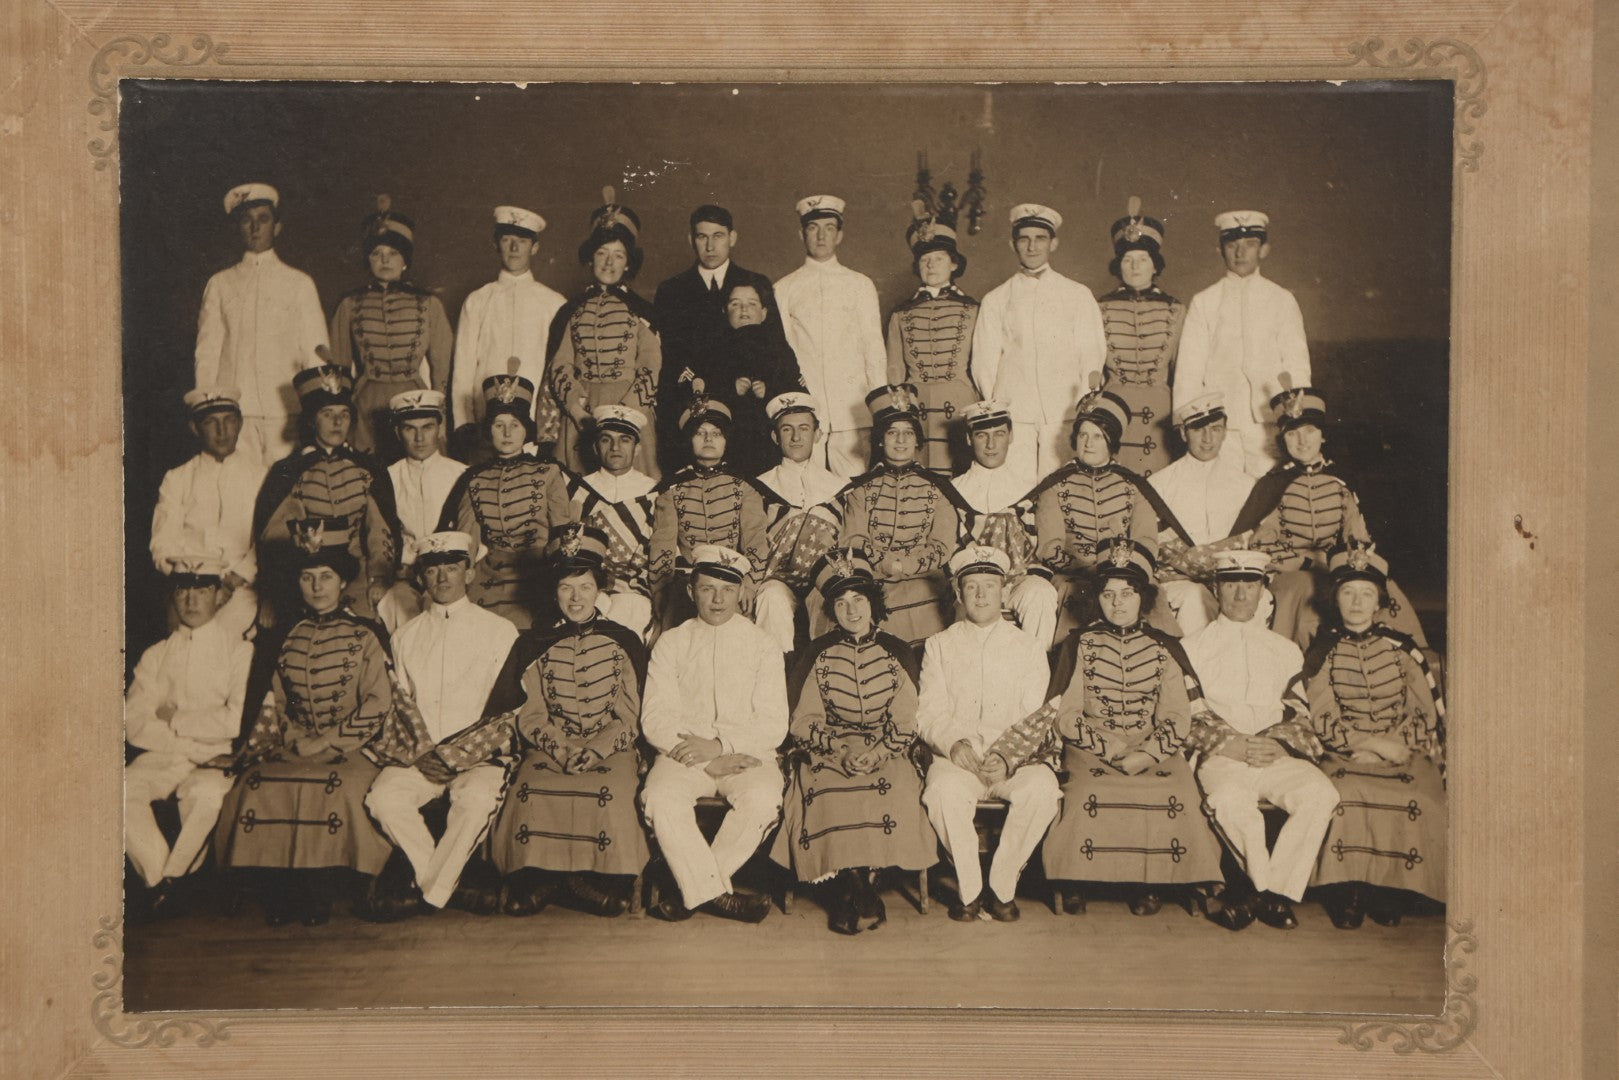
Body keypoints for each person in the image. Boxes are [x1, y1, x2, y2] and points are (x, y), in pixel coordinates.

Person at [213, 521, 396, 926]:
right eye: (307, 577)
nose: (316, 587)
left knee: (336, 788)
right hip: (297, 744)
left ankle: (320, 888)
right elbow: (274, 700)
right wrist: (296, 737)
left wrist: (329, 741)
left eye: (326, 578)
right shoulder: (283, 635)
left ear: (342, 582)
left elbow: (378, 702)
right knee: (256, 781)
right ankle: (272, 883)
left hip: (354, 748)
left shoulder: (365, 635)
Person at [1040, 538, 1223, 915]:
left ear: (1144, 598)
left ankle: (1151, 881)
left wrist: (1147, 752)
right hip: (1091, 745)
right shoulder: (1079, 643)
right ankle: (1076, 878)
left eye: (1127, 593)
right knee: (1087, 790)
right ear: (1098, 598)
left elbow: (1177, 716)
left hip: (1151, 744)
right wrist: (1114, 749)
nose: (1118, 603)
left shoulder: (1166, 646)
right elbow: (1067, 715)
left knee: (1176, 791)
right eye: (1109, 594)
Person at [484, 526, 652, 918]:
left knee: (611, 788)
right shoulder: (534, 643)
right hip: (551, 745)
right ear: (553, 591)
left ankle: (583, 882)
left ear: (600, 591)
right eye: (565, 588)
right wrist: (560, 747)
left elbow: (631, 713)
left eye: (585, 587)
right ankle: (551, 880)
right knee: (531, 786)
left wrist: (595, 749)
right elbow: (532, 711)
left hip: (611, 745)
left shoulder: (624, 640)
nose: (575, 599)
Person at [770, 551, 937, 934]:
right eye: (841, 603)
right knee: (826, 788)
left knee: (896, 786)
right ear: (832, 610)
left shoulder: (897, 652)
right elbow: (804, 721)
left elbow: (906, 719)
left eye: (859, 600)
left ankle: (855, 890)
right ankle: (857, 888)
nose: (852, 610)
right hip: (831, 749)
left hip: (887, 748)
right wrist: (839, 749)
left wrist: (878, 751)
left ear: (874, 604)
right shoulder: (819, 654)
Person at [362, 531, 520, 919]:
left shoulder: (500, 632)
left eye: (453, 568)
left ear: (469, 573)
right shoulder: (404, 637)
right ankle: (449, 883)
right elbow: (398, 709)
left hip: (479, 759)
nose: (443, 578)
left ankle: (428, 890)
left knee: (476, 800)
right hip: (420, 757)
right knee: (382, 798)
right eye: (434, 571)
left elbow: (508, 713)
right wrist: (419, 755)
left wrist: (454, 756)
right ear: (422, 578)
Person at [1182, 549, 1338, 932]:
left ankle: (1265, 893)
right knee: (1232, 804)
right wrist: (1229, 744)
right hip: (1222, 755)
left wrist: (1280, 745)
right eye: (1231, 584)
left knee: (1321, 794)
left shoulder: (1284, 650)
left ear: (1262, 590)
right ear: (1215, 589)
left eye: (1249, 584)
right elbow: (1185, 712)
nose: (1240, 595)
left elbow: (1299, 711)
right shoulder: (1189, 648)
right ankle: (1272, 896)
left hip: (1274, 754)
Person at [639, 545, 787, 923]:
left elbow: (774, 723)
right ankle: (717, 894)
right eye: (707, 588)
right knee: (658, 797)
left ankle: (689, 890)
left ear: (742, 593)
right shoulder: (672, 642)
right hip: (684, 755)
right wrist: (707, 757)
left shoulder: (763, 645)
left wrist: (723, 746)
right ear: (691, 592)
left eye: (727, 589)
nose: (717, 599)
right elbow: (654, 718)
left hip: (746, 755)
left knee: (763, 799)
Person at [1304, 544, 1446, 928]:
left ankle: (1391, 889)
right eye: (1348, 593)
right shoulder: (1323, 651)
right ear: (1335, 599)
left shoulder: (1402, 649)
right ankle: (1348, 890)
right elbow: (1322, 715)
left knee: (1417, 794)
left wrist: (1391, 748)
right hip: (1345, 753)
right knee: (1344, 795)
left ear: (1379, 601)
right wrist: (1365, 745)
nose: (1357, 602)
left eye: (1366, 594)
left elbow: (1423, 710)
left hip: (1402, 750)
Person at [917, 545, 1061, 922]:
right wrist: (953, 743)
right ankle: (970, 891)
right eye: (971, 587)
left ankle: (1001, 887)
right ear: (959, 594)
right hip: (960, 758)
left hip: (1014, 758)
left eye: (989, 585)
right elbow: (929, 711)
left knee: (1043, 791)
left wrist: (1008, 757)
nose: (981, 595)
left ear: (1004, 592)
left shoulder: (1028, 648)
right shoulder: (940, 645)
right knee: (942, 793)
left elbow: (1036, 717)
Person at [1232, 382, 1428, 651]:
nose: (1302, 441)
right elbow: (1261, 547)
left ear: (1323, 435)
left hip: (1337, 567)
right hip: (1291, 574)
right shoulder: (1273, 485)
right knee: (1305, 589)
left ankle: (1404, 659)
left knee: (1380, 586)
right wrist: (1308, 564)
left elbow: (1357, 535)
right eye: (1293, 434)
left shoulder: (1341, 481)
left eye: (1310, 431)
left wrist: (1351, 562)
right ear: (1283, 440)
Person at [124, 558, 253, 920]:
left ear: (218, 595)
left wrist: (176, 718)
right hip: (168, 755)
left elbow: (234, 720)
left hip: (216, 759)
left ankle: (171, 882)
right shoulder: (156, 655)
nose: (191, 600)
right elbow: (133, 723)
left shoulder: (239, 651)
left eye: (201, 590)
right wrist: (190, 738)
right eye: (183, 590)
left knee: (205, 795)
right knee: (117, 790)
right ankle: (162, 882)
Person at [1017, 378, 1184, 640]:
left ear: (1111, 441)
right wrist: (1092, 569)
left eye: (1097, 436)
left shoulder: (1133, 485)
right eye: (1083, 435)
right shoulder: (1055, 485)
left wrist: (1122, 571)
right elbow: (1050, 546)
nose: (1089, 443)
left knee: (1152, 607)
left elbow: (1146, 541)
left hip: (1128, 575)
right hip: (1075, 578)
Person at [970, 203, 1107, 493]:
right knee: (1014, 490)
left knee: (1062, 490)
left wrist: (1080, 407)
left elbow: (1092, 354)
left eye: (1040, 238)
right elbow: (984, 363)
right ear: (1013, 244)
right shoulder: (996, 299)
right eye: (1024, 239)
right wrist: (1000, 409)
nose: (1032, 247)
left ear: (1053, 243)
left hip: (1063, 413)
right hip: (1015, 413)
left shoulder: (1077, 295)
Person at [194, 183, 330, 466]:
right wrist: (210, 412)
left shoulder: (299, 283)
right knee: (239, 500)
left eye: (263, 219)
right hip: (234, 417)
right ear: (237, 228)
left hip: (286, 415)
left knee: (284, 500)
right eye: (246, 220)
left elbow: (315, 354)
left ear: (277, 227)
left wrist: (311, 413)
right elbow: (207, 353)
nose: (255, 228)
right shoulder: (220, 284)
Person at [254, 364, 400, 625]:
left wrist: (378, 577)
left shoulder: (368, 469)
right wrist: (272, 594)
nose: (337, 422)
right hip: (306, 578)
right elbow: (273, 539)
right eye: (327, 414)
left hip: (357, 577)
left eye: (344, 414)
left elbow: (382, 532)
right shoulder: (289, 471)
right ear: (312, 419)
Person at [1173, 211, 1310, 478]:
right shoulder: (1205, 301)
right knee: (1223, 497)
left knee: (1271, 498)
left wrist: (1295, 420)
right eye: (1232, 245)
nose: (1240, 253)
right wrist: (1192, 425)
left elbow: (1297, 363)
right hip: (1219, 425)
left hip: (1270, 423)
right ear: (1220, 250)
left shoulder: (1281, 300)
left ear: (1264, 249)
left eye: (1249, 245)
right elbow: (1189, 371)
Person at [437, 371, 578, 630]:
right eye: (498, 425)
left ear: (526, 429)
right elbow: (467, 539)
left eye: (515, 424)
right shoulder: (475, 478)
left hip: (537, 575)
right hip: (489, 577)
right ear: (488, 430)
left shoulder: (548, 472)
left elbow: (562, 532)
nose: (507, 433)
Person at [835, 384, 969, 646]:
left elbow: (942, 546)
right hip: (875, 577)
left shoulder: (939, 486)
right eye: (892, 432)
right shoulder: (861, 488)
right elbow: (853, 540)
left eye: (908, 433)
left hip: (925, 578)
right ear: (880, 439)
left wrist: (907, 566)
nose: (900, 440)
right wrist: (888, 565)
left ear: (918, 440)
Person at [652, 204, 785, 466]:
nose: (710, 246)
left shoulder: (754, 283)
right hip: (694, 407)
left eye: (718, 236)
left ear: (732, 238)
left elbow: (775, 346)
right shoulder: (672, 290)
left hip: (748, 410)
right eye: (702, 237)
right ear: (691, 240)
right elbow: (668, 359)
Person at [548, 189, 662, 480]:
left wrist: (629, 412)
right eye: (602, 254)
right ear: (590, 260)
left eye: (618, 255)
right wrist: (575, 407)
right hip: (583, 413)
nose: (609, 263)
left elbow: (651, 365)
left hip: (630, 410)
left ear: (628, 263)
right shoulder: (570, 311)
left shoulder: (643, 312)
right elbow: (559, 365)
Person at [328, 200, 454, 461]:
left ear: (405, 260)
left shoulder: (429, 304)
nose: (385, 261)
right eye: (377, 254)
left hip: (414, 399)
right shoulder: (350, 304)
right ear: (368, 260)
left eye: (393, 253)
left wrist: (439, 415)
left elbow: (442, 368)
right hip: (366, 402)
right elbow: (338, 366)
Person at [773, 195, 888, 478]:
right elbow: (781, 352)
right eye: (813, 228)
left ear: (840, 235)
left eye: (829, 227)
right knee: (803, 487)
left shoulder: (859, 284)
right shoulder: (784, 288)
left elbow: (873, 347)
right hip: (805, 410)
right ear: (802, 234)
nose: (821, 235)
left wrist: (880, 406)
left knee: (855, 491)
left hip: (852, 409)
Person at [149, 386, 268, 640]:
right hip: (189, 592)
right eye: (211, 423)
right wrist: (192, 583)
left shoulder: (262, 477)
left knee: (224, 646)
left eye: (229, 421)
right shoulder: (178, 478)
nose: (222, 431)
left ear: (240, 423)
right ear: (195, 428)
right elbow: (162, 544)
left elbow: (267, 540)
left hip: (241, 590)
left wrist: (234, 580)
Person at [647, 398, 772, 634]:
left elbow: (756, 542)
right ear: (688, 440)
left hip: (732, 579)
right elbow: (662, 546)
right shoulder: (672, 489)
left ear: (726, 441)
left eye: (716, 433)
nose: (708, 439)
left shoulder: (745, 487)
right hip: (688, 581)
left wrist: (750, 585)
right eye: (700, 433)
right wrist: (659, 591)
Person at [450, 205, 567, 445]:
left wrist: (550, 427)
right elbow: (463, 368)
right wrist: (465, 423)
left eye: (522, 241)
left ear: (535, 247)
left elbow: (559, 368)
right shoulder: (478, 299)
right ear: (496, 244)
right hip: (486, 420)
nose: (514, 248)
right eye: (507, 239)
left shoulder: (553, 302)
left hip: (536, 421)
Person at [663, 281, 802, 479]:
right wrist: (728, 389)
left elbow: (797, 392)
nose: (744, 309)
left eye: (752, 303)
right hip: (725, 445)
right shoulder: (709, 349)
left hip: (769, 444)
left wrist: (769, 391)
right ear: (724, 311)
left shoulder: (779, 350)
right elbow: (687, 391)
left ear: (764, 312)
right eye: (735, 304)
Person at [1148, 392, 1259, 636]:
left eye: (1216, 429)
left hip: (1234, 577)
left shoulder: (1247, 485)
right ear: (1183, 433)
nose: (1208, 439)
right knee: (1195, 600)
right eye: (1198, 430)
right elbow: (1161, 547)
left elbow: (1252, 541)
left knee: (1260, 602)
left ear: (1225, 431)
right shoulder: (1159, 485)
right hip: (1180, 582)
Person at [950, 399, 1058, 647]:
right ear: (969, 439)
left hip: (1019, 579)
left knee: (1040, 594)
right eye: (981, 435)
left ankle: (1035, 673)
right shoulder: (954, 490)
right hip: (973, 582)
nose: (990, 445)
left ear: (1011, 436)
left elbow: (1039, 548)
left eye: (999, 434)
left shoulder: (1029, 488)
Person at [885, 204, 980, 477]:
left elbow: (982, 368)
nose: (930, 265)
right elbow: (894, 370)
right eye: (925, 260)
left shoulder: (973, 310)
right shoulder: (902, 313)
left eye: (938, 259)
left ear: (954, 263)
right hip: (917, 407)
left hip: (959, 404)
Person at [1097, 198, 1184, 478]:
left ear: (1155, 266)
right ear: (1119, 265)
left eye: (1143, 260)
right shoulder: (1100, 308)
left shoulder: (1176, 309)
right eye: (1128, 260)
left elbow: (1181, 372)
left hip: (1159, 415)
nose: (1135, 267)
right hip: (1113, 410)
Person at [752, 393, 846, 653]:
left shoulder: (839, 486)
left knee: (830, 600)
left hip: (822, 577)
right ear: (775, 437)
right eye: (787, 429)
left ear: (817, 434)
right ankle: (775, 675)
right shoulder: (759, 487)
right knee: (771, 599)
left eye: (804, 428)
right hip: (777, 578)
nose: (796, 437)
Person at [376, 390, 467, 633]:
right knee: (399, 610)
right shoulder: (387, 479)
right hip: (405, 579)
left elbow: (474, 536)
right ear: (397, 432)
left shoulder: (462, 475)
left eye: (427, 427)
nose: (419, 438)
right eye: (409, 428)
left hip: (450, 576)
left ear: (440, 428)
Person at [573, 404, 657, 638]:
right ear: (595, 447)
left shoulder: (653, 491)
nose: (615, 448)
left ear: (638, 448)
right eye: (606, 440)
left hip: (635, 589)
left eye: (625, 440)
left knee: (629, 611)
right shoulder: (579, 490)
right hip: (588, 584)